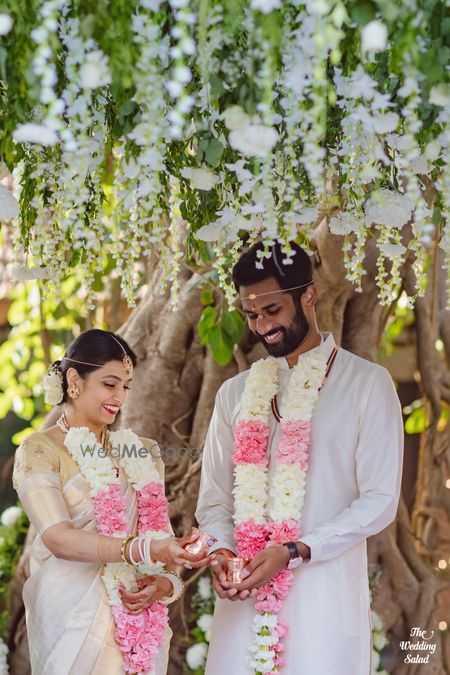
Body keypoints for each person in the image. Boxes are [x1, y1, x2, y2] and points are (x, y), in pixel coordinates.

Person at [196, 241, 404, 675]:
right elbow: (214, 501)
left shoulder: (366, 384)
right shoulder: (233, 395)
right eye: (251, 315)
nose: (262, 326)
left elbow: (380, 499)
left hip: (323, 601)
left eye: (272, 310)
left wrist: (293, 551)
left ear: (307, 295)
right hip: (244, 604)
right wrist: (220, 554)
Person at [13, 329, 209, 675]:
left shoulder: (142, 450)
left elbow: (158, 539)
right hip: (74, 620)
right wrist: (143, 550)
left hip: (139, 621)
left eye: (126, 386)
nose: (120, 397)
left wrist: (165, 581)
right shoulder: (40, 450)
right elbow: (58, 538)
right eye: (109, 384)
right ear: (74, 380)